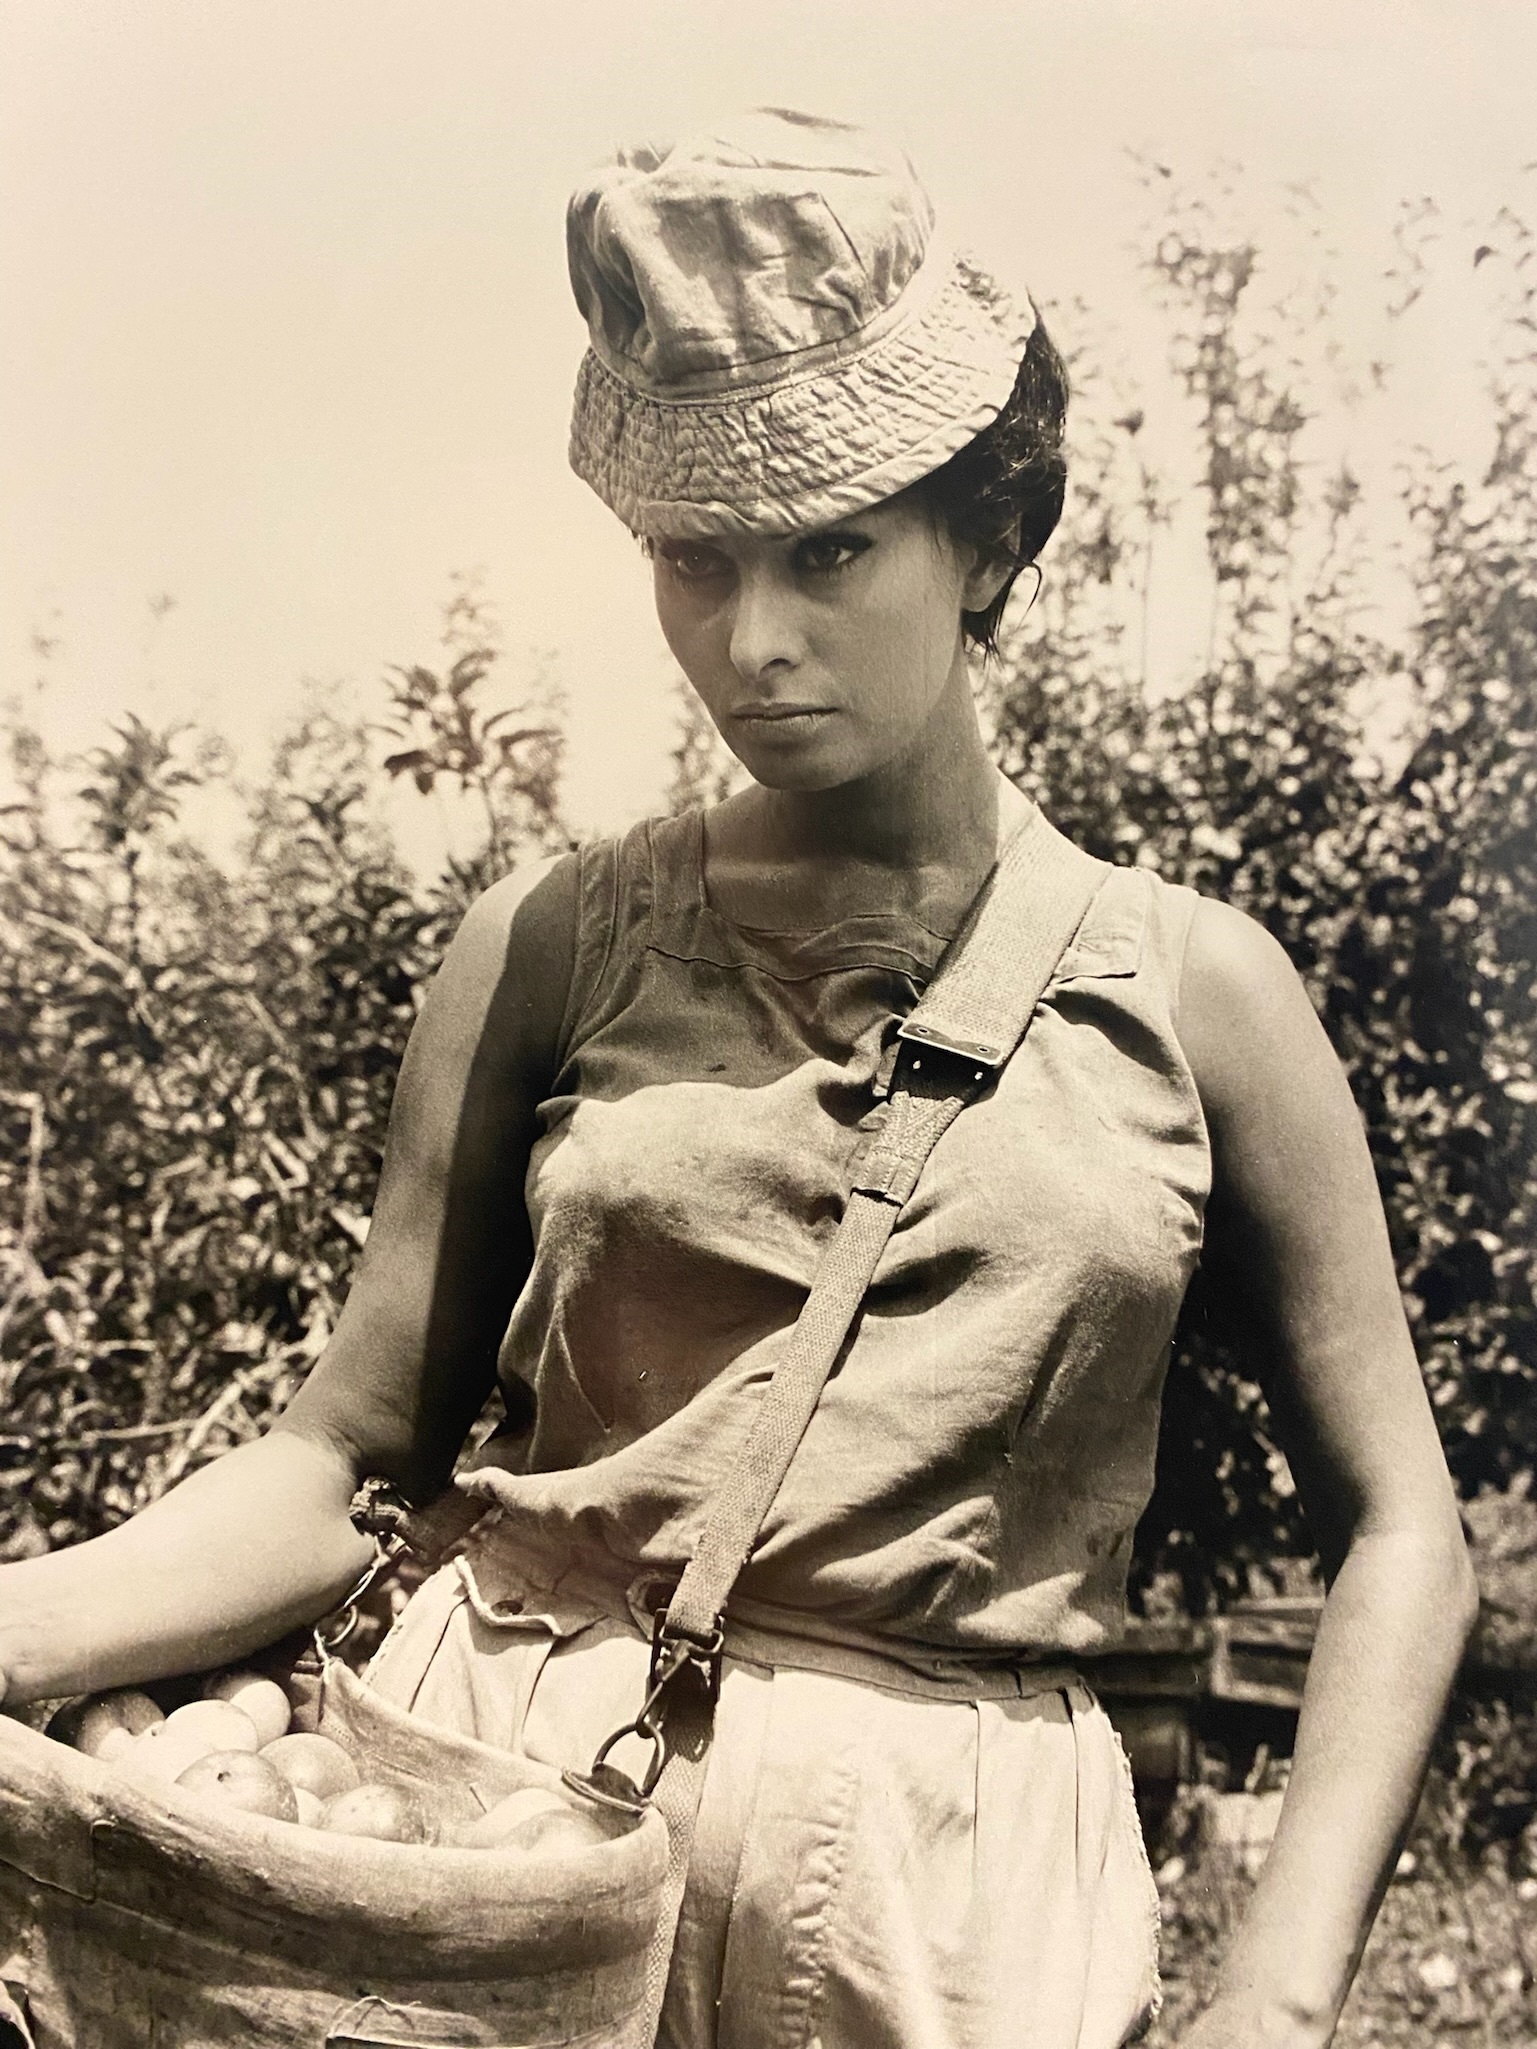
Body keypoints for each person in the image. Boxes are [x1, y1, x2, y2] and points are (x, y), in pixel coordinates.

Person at [0, 110, 1477, 2049]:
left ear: (989, 528)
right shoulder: (545, 938)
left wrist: (1275, 1996)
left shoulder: (1202, 994)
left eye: (834, 547)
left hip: (940, 1914)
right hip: (486, 1841)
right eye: (695, 557)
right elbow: (345, 1456)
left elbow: (1403, 1526)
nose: (753, 637)